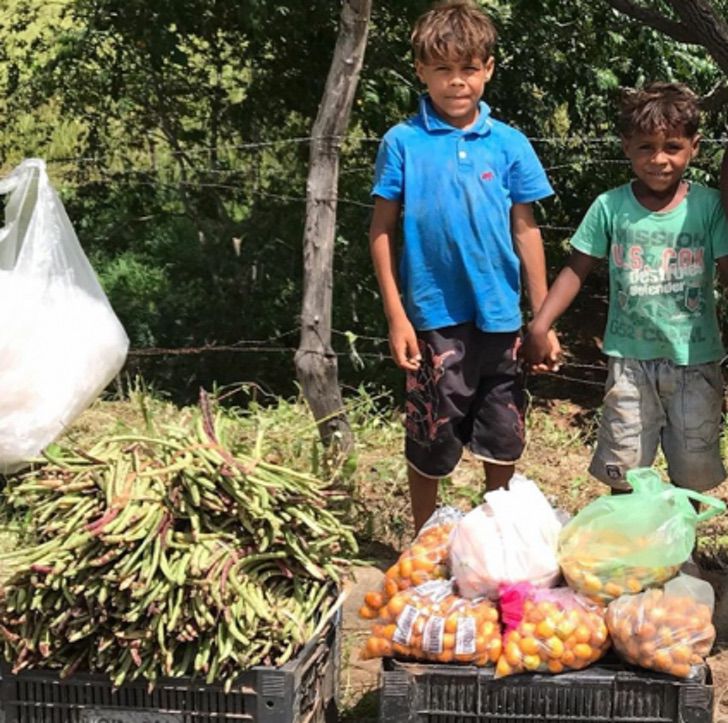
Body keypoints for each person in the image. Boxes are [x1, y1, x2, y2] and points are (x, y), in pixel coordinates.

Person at [369, 0, 560, 533]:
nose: (458, 82)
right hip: (433, 316)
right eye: (444, 70)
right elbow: (382, 230)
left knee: (503, 430)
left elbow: (526, 230)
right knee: (431, 432)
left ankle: (496, 536)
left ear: (489, 69)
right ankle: (425, 541)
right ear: (421, 71)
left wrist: (541, 318)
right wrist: (397, 316)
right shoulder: (403, 143)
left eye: (469, 69)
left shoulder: (508, 144)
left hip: (500, 314)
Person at [522, 81, 728, 494]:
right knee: (625, 468)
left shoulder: (708, 207)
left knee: (692, 473)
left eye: (672, 146)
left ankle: (679, 555)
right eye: (645, 147)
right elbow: (576, 268)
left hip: (695, 361)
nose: (659, 160)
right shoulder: (610, 207)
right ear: (626, 147)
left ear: (695, 147)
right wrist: (539, 325)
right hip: (628, 363)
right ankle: (632, 556)